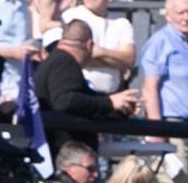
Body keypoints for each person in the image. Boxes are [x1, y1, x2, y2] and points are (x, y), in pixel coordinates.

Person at [35, 19, 137, 150]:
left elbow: (87, 101)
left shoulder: (56, 60)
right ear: (89, 45)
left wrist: (118, 108)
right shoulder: (65, 62)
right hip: (66, 152)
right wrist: (110, 102)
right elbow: (66, 101)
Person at [138, 0, 188, 175]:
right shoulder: (161, 41)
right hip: (174, 128)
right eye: (181, 12)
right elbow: (149, 88)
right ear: (168, 16)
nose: (187, 17)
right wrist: (157, 131)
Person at [59, 0, 135, 96]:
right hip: (79, 94)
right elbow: (71, 59)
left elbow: (129, 59)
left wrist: (99, 52)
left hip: (112, 96)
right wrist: (115, 62)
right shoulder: (71, 17)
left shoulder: (122, 23)